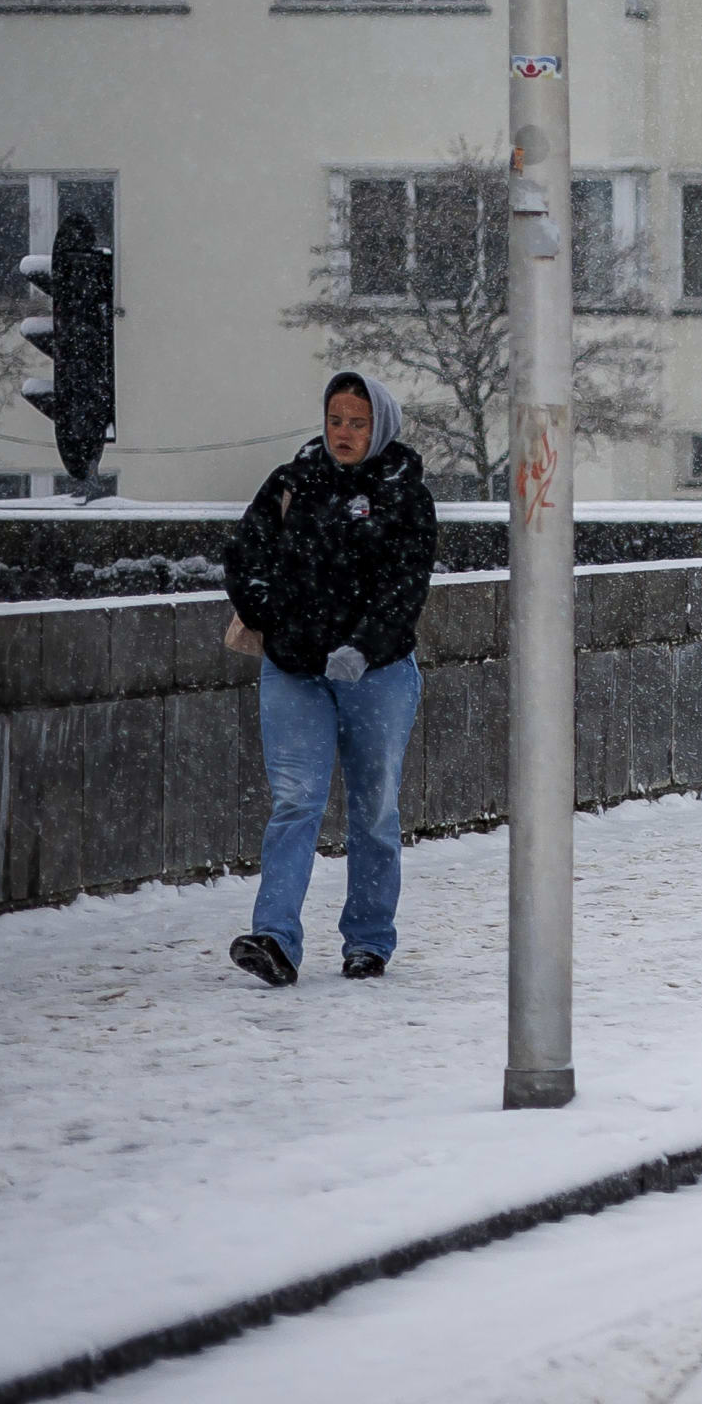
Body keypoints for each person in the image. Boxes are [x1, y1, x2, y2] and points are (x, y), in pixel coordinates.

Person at [220, 371, 436, 986]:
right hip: (295, 672)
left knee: (373, 810)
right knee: (295, 802)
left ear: (381, 427)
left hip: (378, 675)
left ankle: (368, 940)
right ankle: (275, 938)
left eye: (357, 423)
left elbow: (406, 585)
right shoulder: (292, 482)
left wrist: (364, 646)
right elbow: (245, 556)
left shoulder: (404, 494)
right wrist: (278, 629)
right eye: (336, 419)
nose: (343, 433)